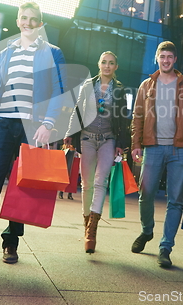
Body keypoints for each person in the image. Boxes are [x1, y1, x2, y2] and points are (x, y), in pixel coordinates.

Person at [0, 2, 67, 267]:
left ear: (40, 24)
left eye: (33, 19)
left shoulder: (53, 53)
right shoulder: (6, 53)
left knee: (23, 187)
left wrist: (49, 123)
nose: (28, 22)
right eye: (24, 18)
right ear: (18, 21)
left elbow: (59, 90)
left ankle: (11, 242)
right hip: (3, 125)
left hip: (33, 127)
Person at [131, 41, 183, 268]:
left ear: (175, 60)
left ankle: (165, 246)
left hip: (179, 150)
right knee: (146, 194)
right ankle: (147, 231)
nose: (166, 60)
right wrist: (135, 144)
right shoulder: (146, 85)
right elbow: (137, 117)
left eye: (170, 57)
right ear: (157, 58)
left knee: (175, 200)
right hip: (152, 147)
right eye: (162, 56)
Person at [64, 51, 130, 253]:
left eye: (111, 63)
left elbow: (124, 118)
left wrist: (122, 143)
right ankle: (86, 223)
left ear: (116, 67)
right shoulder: (87, 85)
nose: (107, 66)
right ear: (98, 64)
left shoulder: (120, 90)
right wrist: (69, 134)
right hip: (87, 138)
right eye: (104, 62)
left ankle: (92, 230)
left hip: (108, 139)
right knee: (87, 184)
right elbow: (76, 110)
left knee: (102, 181)